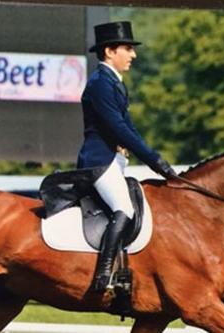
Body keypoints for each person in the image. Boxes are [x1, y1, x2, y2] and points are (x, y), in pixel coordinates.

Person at [77, 21, 177, 293]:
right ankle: (103, 276)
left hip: (114, 161)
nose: (133, 55)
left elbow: (129, 129)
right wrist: (155, 161)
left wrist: (159, 162)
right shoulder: (100, 83)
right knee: (125, 207)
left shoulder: (114, 83)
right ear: (110, 51)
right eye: (127, 49)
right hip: (99, 161)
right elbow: (118, 129)